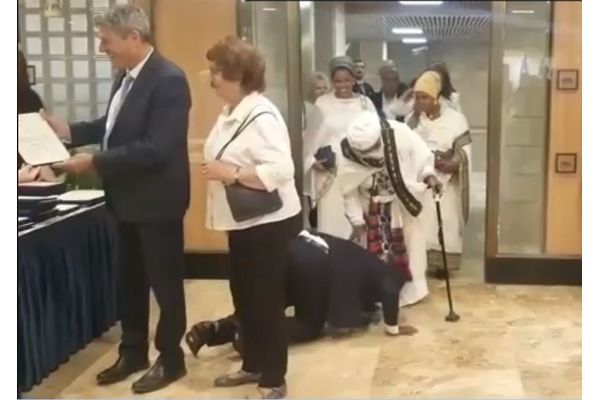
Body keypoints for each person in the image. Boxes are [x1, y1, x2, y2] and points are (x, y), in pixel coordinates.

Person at [42, 5, 190, 394]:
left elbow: (157, 147)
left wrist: (95, 161)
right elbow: (112, 126)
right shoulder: (125, 77)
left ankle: (171, 359)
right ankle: (133, 351)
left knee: (165, 286)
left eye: (106, 41)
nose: (101, 48)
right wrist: (69, 130)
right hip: (124, 200)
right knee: (129, 282)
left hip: (158, 203)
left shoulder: (169, 79)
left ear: (134, 38)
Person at [202, 36, 301, 399]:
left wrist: (231, 174)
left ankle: (273, 378)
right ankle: (253, 363)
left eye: (217, 72)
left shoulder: (262, 114)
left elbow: (282, 170)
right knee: (245, 298)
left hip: (266, 224)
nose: (211, 79)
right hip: (242, 222)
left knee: (266, 302)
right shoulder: (230, 112)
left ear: (239, 75)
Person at [184, 229, 417, 358]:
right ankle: (252, 340)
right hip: (313, 263)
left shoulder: (359, 256)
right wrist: (393, 327)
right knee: (308, 325)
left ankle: (215, 330)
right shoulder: (384, 271)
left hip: (293, 246)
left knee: (269, 305)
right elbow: (387, 289)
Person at [337, 111, 441, 306]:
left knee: (412, 246)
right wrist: (357, 220)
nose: (372, 154)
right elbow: (348, 190)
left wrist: (429, 175)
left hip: (402, 202)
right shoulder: (347, 153)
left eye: (374, 147)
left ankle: (412, 292)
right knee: (374, 256)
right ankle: (378, 295)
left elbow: (423, 155)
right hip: (371, 209)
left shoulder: (399, 133)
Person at [406, 71, 471, 276]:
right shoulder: (412, 120)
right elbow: (405, 147)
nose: (420, 102)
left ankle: (443, 265)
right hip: (420, 179)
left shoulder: (456, 120)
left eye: (424, 97)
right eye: (417, 97)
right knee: (421, 224)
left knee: (445, 222)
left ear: (436, 98)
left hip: (446, 181)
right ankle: (420, 263)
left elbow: (464, 149)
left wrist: (453, 163)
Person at [306, 55, 377, 239]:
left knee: (360, 225)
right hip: (331, 173)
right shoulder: (322, 103)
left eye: (347, 80)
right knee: (332, 224)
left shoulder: (365, 103)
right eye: (338, 81)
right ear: (332, 81)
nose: (343, 85)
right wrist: (312, 161)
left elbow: (376, 135)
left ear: (354, 79)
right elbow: (311, 136)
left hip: (360, 172)